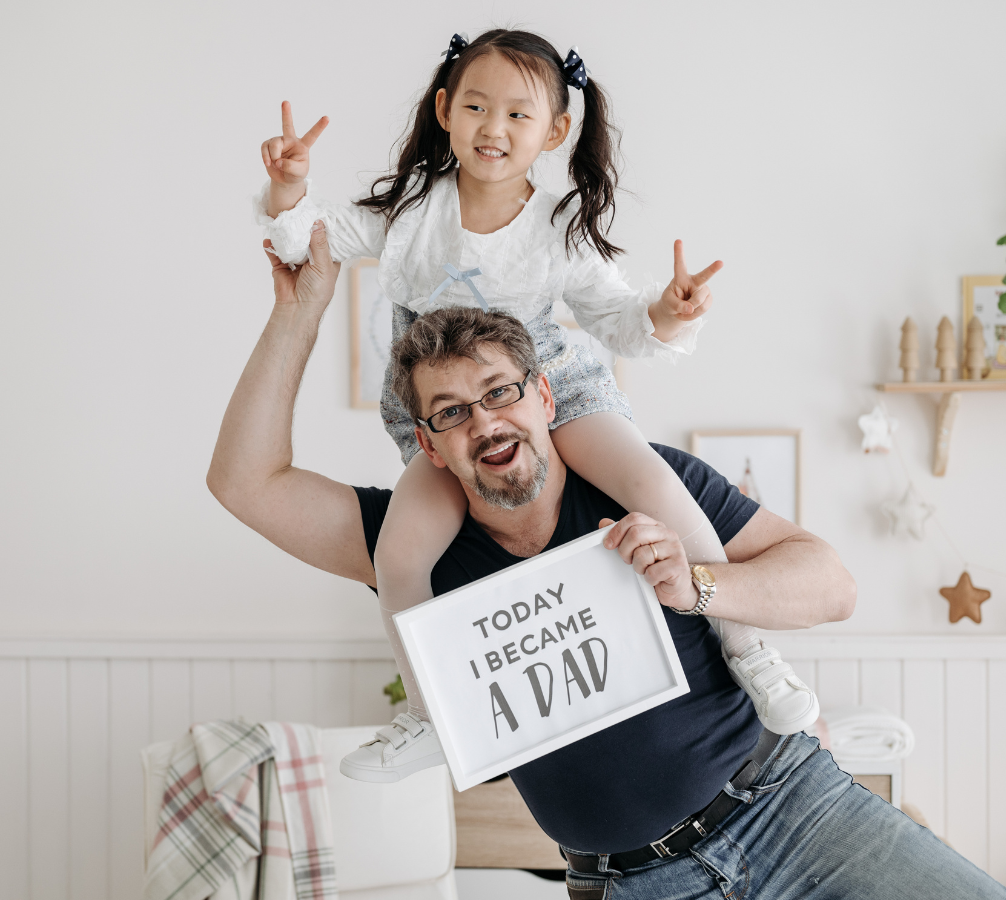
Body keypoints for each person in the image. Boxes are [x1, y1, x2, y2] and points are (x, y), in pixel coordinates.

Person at [205, 227, 1006, 899]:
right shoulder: (408, 545)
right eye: (452, 412)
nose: (484, 422)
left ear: (545, 398)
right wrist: (298, 310)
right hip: (633, 883)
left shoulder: (646, 484)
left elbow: (833, 586)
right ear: (430, 446)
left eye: (500, 392)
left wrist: (698, 584)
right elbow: (245, 483)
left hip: (792, 808)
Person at [256, 28, 815, 779]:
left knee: (653, 483)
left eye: (519, 114)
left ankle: (749, 650)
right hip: (447, 411)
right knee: (399, 552)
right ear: (445, 110)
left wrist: (668, 312)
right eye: (477, 106)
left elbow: (619, 318)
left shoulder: (558, 228)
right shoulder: (413, 210)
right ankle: (427, 715)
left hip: (552, 386)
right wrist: (288, 186)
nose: (494, 127)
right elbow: (307, 240)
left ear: (554, 132)